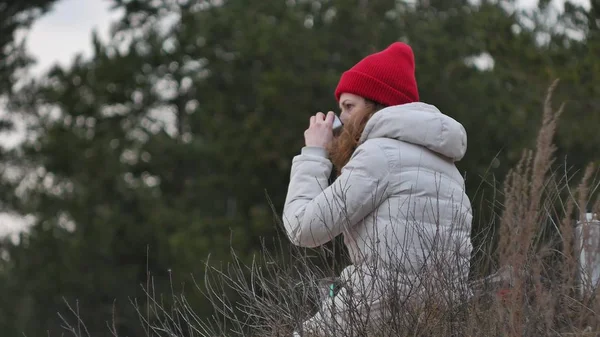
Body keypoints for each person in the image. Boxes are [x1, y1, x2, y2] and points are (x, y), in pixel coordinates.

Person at [282, 42, 473, 336]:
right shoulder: (450, 171)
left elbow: (303, 228)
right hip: (439, 321)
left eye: (349, 106)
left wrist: (314, 154)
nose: (340, 119)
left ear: (376, 105)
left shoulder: (379, 155)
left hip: (372, 311)